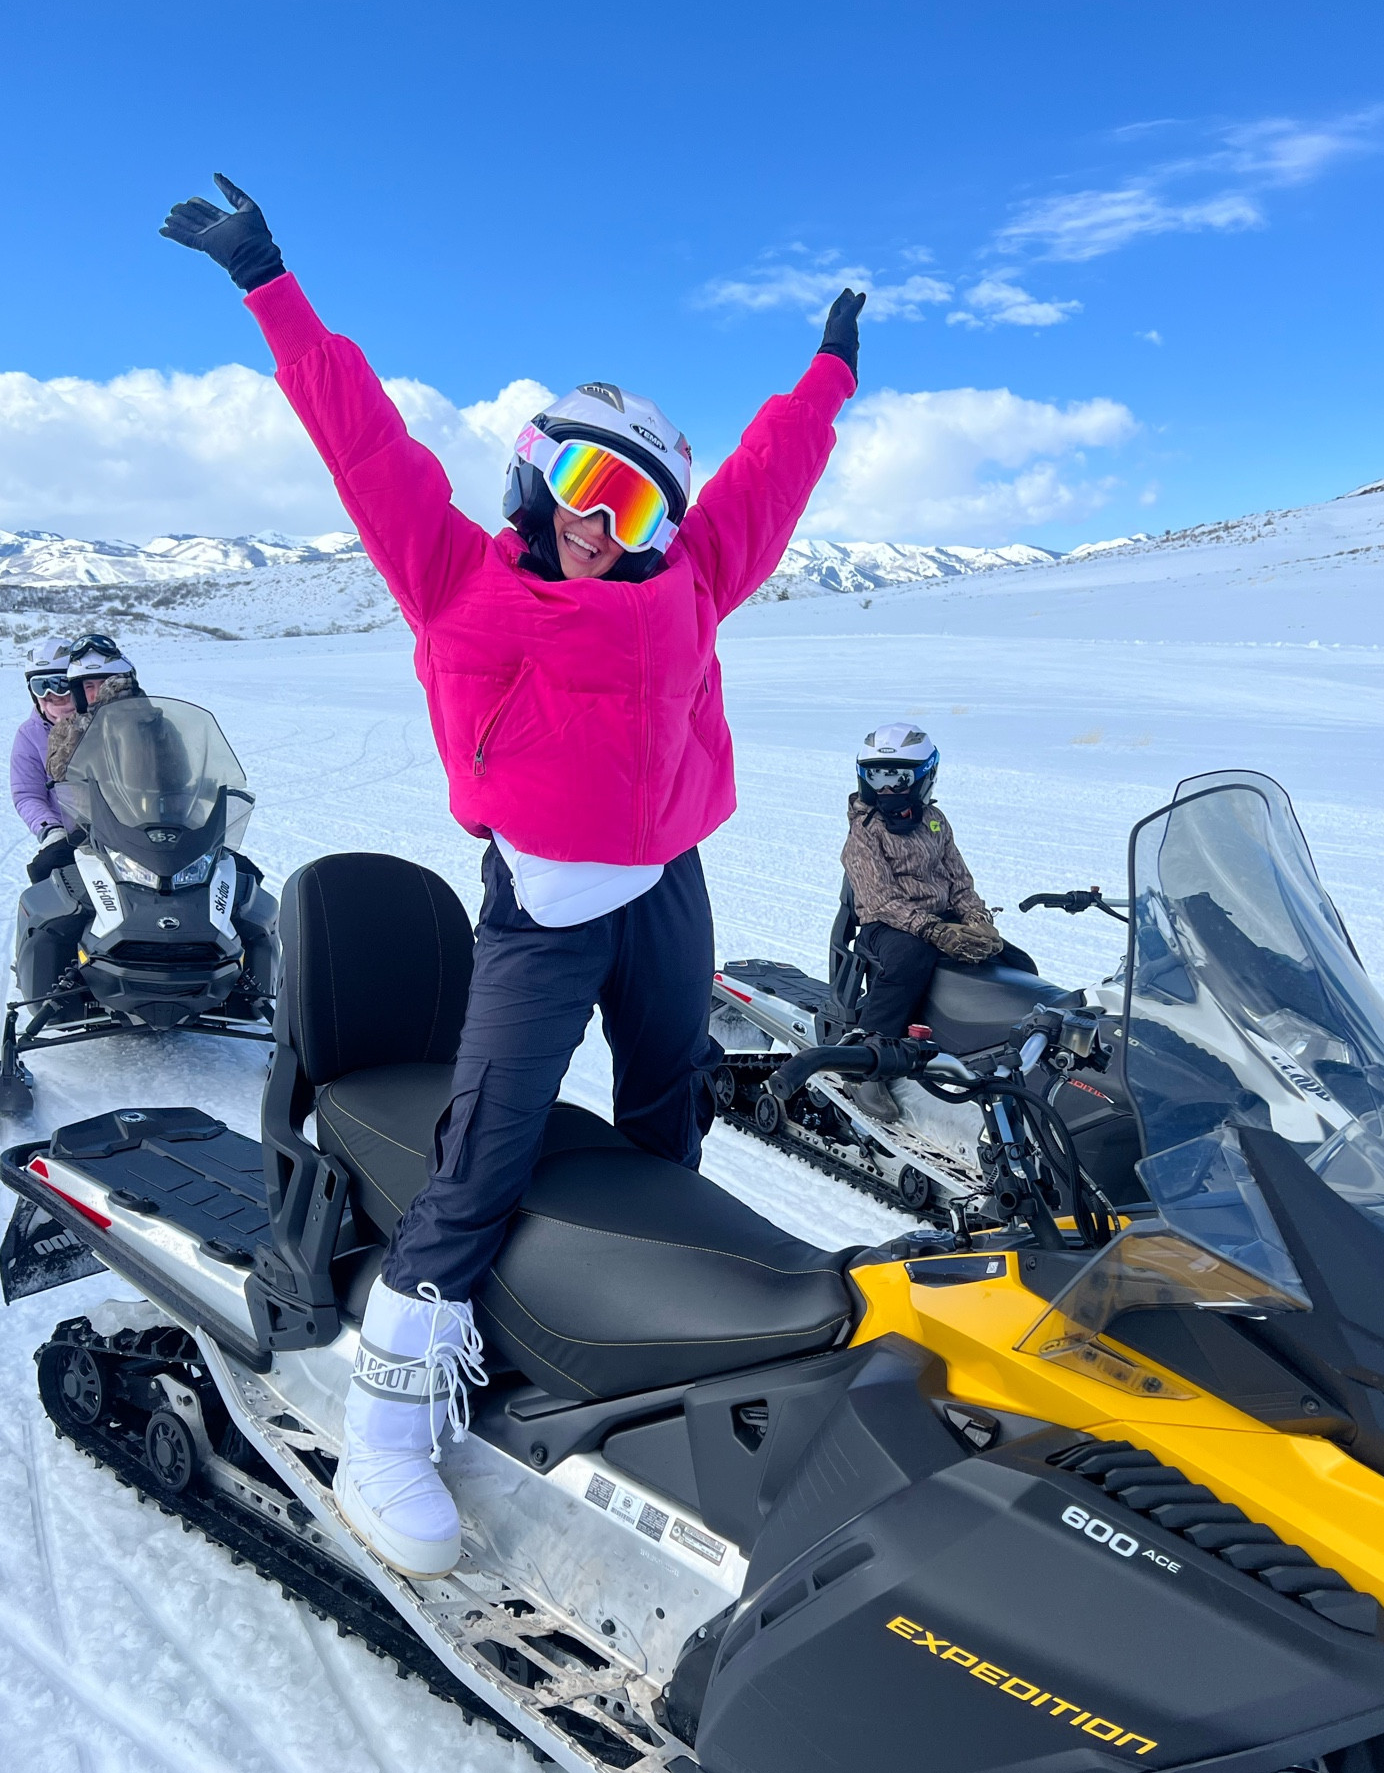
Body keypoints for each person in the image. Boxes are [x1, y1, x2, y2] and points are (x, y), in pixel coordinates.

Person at [162, 174, 862, 1578]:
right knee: (486, 1146)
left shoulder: (687, 584)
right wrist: (268, 283)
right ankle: (387, 1422)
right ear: (538, 478)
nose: (610, 526)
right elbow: (359, 438)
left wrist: (828, 376)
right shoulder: (453, 576)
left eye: (642, 508)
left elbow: (769, 477)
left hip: (666, 889)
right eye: (590, 488)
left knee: (666, 1115)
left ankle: (631, 1336)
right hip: (541, 907)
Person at [841, 722, 1035, 1123]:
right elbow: (881, 900)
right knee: (911, 959)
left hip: (938, 920)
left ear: (923, 776)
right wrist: (933, 931)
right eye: (876, 777)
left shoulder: (935, 821)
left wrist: (977, 921)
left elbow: (959, 882)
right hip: (887, 925)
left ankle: (1004, 1054)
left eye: (898, 778)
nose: (886, 789)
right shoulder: (865, 831)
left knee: (1016, 964)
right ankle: (867, 1061)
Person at [12, 635, 141, 878]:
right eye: (41, 686)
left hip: (129, 827)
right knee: (46, 873)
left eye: (61, 684)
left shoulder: (108, 718)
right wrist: (52, 830)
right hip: (75, 836)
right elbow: (27, 794)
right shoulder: (30, 734)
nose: (52, 695)